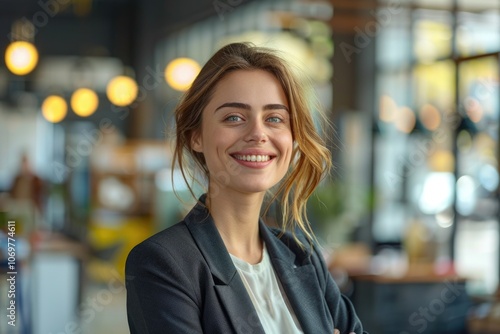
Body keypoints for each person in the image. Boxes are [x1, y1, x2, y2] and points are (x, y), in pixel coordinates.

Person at [126, 42, 367, 334]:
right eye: (234, 118)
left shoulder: (301, 255)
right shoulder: (163, 263)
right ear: (196, 136)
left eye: (274, 119)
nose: (257, 133)